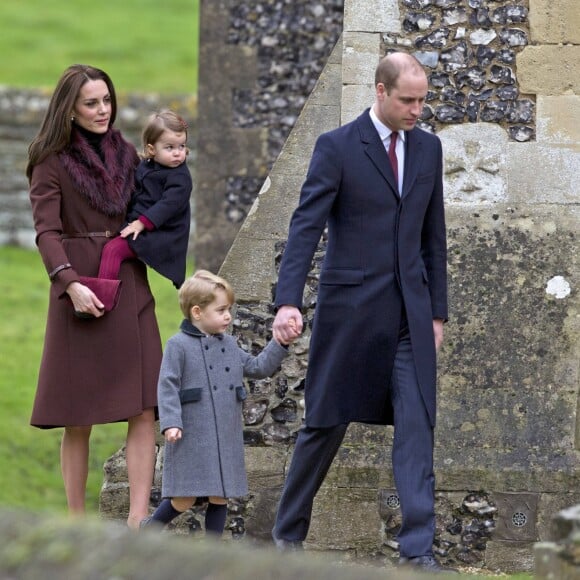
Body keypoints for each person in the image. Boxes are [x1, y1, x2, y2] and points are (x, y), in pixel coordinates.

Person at [271, 52, 455, 574]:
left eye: (422, 100)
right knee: (324, 424)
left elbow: (432, 236)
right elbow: (305, 227)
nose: (417, 110)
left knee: (417, 426)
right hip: (348, 314)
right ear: (379, 91)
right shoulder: (337, 147)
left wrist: (436, 313)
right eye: (407, 100)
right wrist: (288, 301)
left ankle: (418, 550)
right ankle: (287, 536)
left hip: (410, 320)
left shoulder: (429, 149)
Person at [27, 64, 162, 529]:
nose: (103, 110)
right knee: (77, 415)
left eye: (107, 100)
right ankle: (78, 525)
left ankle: (139, 519)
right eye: (91, 102)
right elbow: (46, 233)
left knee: (145, 404)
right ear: (70, 109)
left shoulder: (127, 154)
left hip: (128, 279)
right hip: (79, 287)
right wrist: (69, 283)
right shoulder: (50, 161)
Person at [141, 270, 293, 535]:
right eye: (221, 310)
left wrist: (279, 342)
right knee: (183, 498)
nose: (228, 316)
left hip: (224, 435)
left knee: (220, 495)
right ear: (197, 312)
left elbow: (258, 367)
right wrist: (171, 423)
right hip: (190, 435)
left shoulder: (231, 345)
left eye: (229, 310)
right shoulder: (178, 345)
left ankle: (213, 552)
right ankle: (148, 531)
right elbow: (167, 386)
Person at [98, 109, 192, 289]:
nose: (178, 153)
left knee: (113, 250)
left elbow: (168, 205)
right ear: (151, 149)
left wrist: (141, 223)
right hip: (142, 227)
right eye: (170, 147)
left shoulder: (180, 178)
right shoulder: (147, 165)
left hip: (160, 234)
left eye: (181, 146)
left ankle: (102, 297)